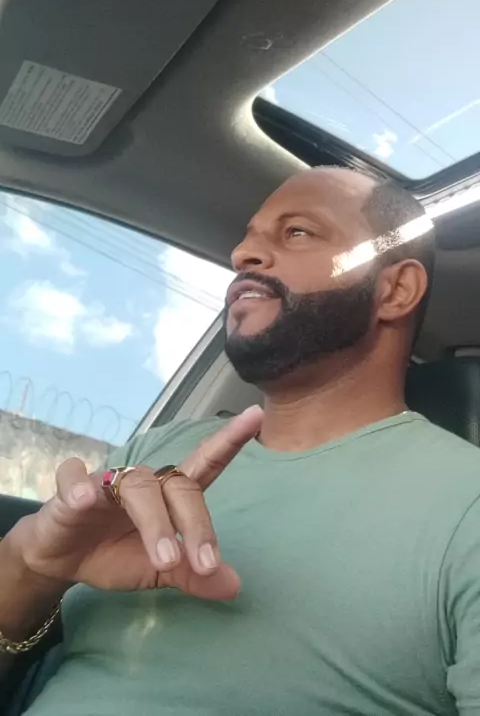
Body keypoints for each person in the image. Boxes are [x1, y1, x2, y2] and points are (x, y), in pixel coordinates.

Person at [1, 167, 480, 716]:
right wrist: (29, 569)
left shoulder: (466, 503)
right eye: (248, 237)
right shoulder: (151, 458)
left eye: (297, 232)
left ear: (395, 290)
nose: (241, 255)